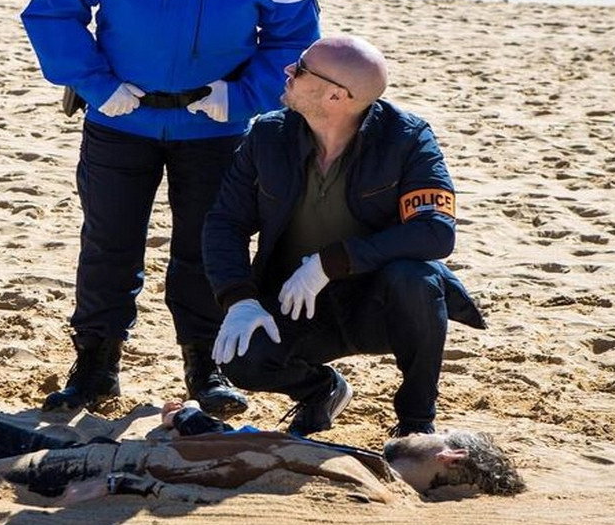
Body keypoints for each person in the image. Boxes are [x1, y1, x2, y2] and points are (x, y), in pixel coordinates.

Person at [21, 0, 320, 419]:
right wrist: (99, 86)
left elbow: (297, 39)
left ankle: (205, 369)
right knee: (109, 244)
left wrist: (241, 96)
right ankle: (95, 369)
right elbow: (51, 12)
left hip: (214, 129)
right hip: (120, 122)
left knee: (205, 249)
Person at [203, 35, 486, 438]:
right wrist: (239, 299)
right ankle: (322, 390)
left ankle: (416, 422)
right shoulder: (267, 136)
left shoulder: (407, 139)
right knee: (242, 357)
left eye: (300, 68)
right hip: (298, 303)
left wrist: (329, 263)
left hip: (381, 306)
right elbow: (225, 222)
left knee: (418, 279)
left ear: (337, 96)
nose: (288, 71)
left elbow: (435, 232)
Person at [0, 395, 524, 501]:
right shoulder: (360, 479)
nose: (416, 428)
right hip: (115, 467)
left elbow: (217, 463)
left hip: (94, 474)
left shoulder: (356, 473)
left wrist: (186, 426)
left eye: (432, 433)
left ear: (446, 459)